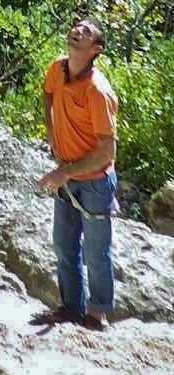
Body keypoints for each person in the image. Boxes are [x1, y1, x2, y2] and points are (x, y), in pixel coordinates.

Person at [37, 17, 118, 330]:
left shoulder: (98, 91)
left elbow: (106, 152)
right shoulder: (57, 69)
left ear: (95, 49)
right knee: (63, 244)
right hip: (68, 177)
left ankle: (97, 316)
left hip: (95, 182)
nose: (77, 31)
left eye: (87, 31)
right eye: (76, 26)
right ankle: (71, 307)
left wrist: (64, 172)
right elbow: (47, 95)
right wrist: (51, 129)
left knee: (97, 251)